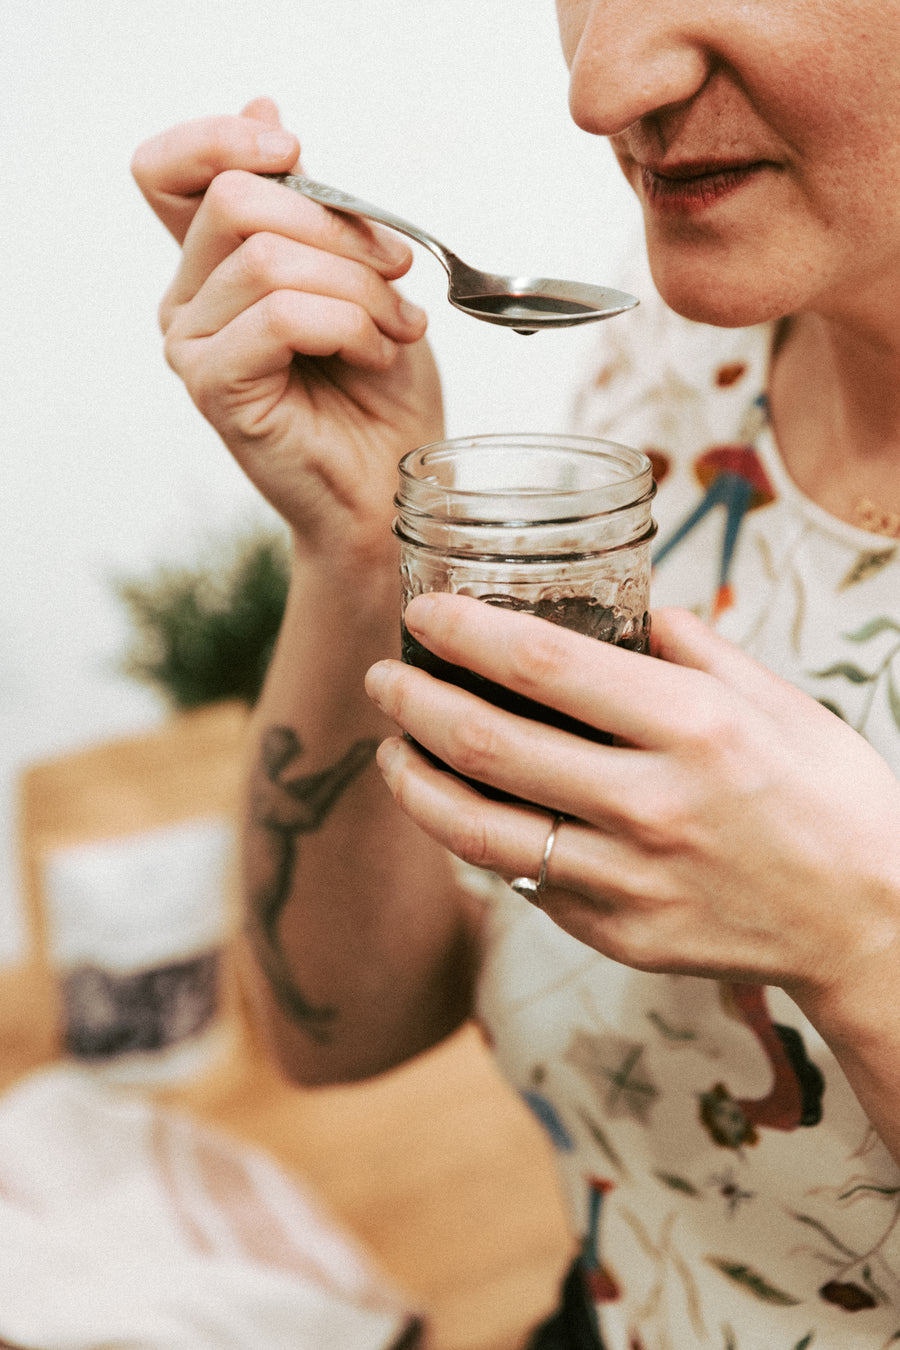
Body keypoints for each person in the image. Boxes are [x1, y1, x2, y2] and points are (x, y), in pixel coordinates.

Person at [130, 0, 900, 1344]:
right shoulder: (685, 353)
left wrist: (866, 943)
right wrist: (360, 542)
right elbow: (340, 1028)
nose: (600, 88)